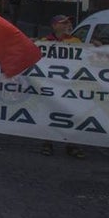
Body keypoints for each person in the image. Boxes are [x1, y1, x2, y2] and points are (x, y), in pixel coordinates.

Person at [38, 15, 87, 159]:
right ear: (54, 26)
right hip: (51, 84)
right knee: (48, 113)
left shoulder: (76, 41)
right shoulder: (45, 42)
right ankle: (47, 143)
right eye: (64, 22)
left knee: (71, 114)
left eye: (68, 22)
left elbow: (88, 57)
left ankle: (72, 144)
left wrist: (97, 47)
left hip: (69, 86)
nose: (68, 24)